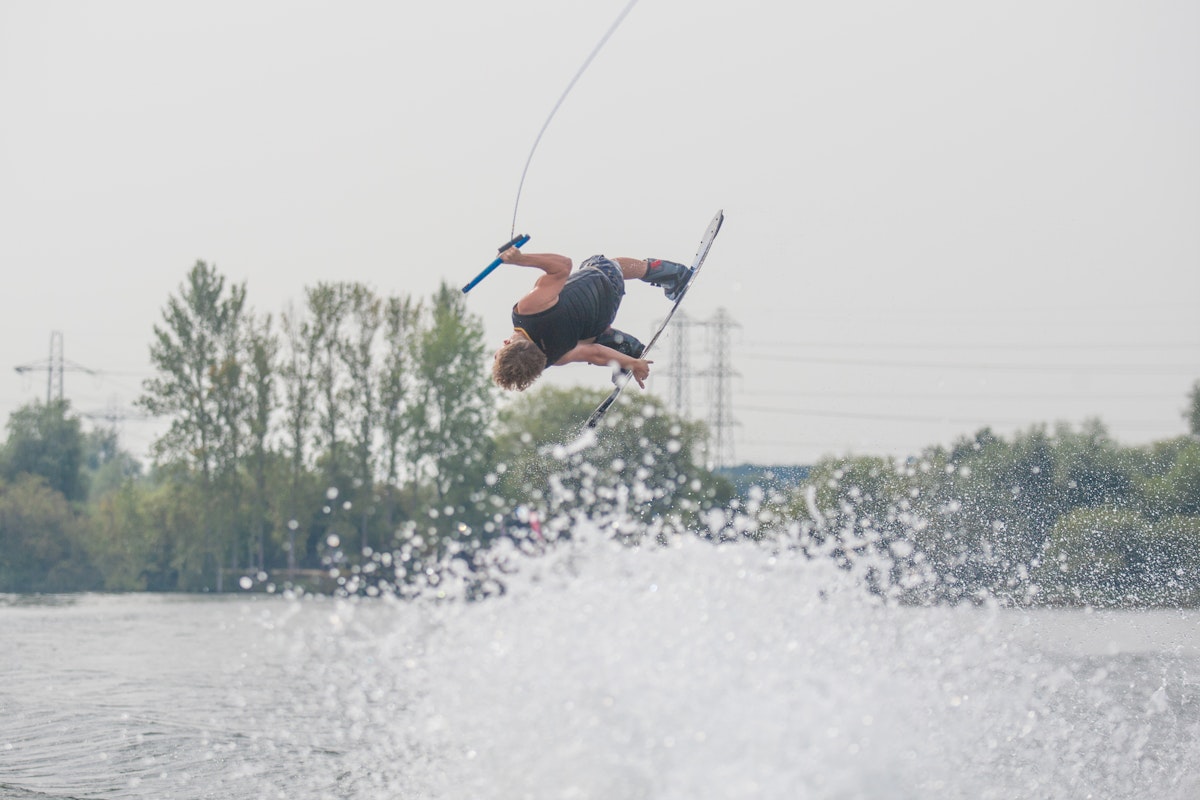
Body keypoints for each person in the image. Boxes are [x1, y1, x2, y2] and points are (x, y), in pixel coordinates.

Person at [491, 246, 693, 392]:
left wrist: (633, 363)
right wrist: (520, 259)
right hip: (605, 278)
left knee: (580, 343)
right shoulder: (527, 311)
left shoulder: (553, 358)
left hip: (604, 317)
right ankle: (670, 274)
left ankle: (625, 349)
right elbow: (563, 265)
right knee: (603, 263)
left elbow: (594, 353)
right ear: (507, 343)